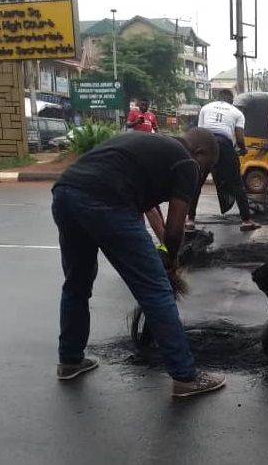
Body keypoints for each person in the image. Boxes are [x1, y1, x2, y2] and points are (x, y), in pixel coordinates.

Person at [50, 128, 226, 398]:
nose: (201, 176)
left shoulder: (150, 145)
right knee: (156, 290)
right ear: (200, 153)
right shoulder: (187, 162)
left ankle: (70, 360)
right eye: (206, 169)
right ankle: (186, 376)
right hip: (107, 200)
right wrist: (172, 258)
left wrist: (163, 246)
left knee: (77, 282)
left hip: (65, 193)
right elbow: (175, 229)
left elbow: (152, 211)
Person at [197, 89, 261, 231]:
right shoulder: (237, 113)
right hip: (223, 143)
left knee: (198, 182)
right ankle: (246, 220)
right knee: (237, 183)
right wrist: (242, 149)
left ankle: (189, 219)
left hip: (204, 142)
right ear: (232, 101)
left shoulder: (206, 108)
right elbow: (239, 138)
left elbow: (199, 131)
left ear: (217, 98)